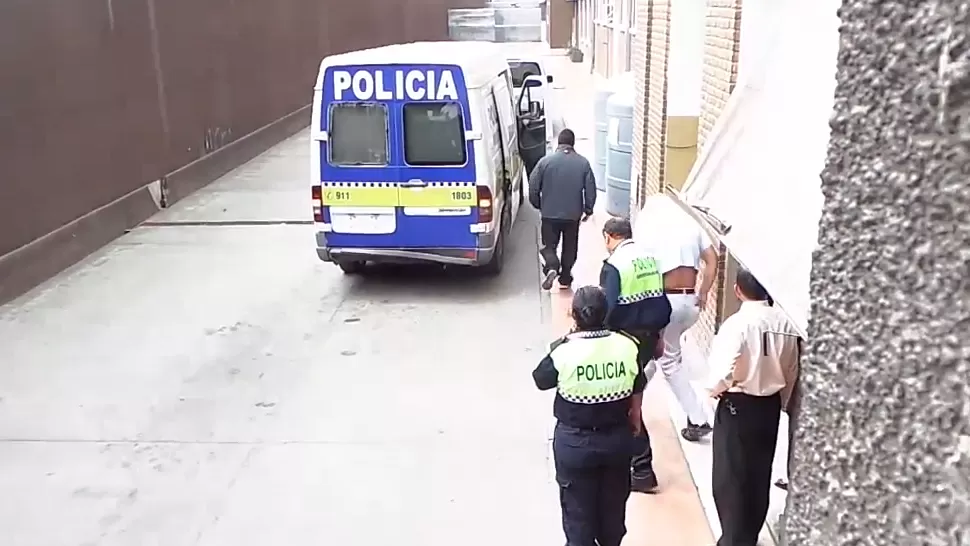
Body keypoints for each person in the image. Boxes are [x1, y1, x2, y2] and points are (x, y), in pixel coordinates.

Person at [533, 285, 649, 546]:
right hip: (617, 442)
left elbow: (541, 379)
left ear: (574, 316)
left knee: (578, 517)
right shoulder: (627, 346)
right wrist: (636, 419)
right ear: (605, 313)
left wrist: (567, 339)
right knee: (612, 514)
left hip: (575, 444)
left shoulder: (564, 351)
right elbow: (638, 384)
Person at [706, 269, 801, 546]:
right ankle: (748, 535)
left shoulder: (737, 325)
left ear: (737, 290)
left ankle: (733, 539)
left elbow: (722, 372)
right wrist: (781, 402)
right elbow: (792, 369)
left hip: (738, 404)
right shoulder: (786, 323)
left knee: (731, 476)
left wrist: (712, 392)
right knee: (760, 472)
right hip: (768, 406)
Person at [635, 196, 718, 442]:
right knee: (661, 356)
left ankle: (697, 418)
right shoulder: (691, 226)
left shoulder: (650, 230)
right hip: (689, 303)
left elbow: (642, 269)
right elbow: (713, 259)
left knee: (662, 359)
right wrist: (703, 291)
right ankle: (632, 400)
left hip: (665, 302)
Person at [598, 217, 672, 493]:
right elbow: (661, 300)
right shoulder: (649, 259)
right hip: (649, 336)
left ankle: (641, 468)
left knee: (625, 401)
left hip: (625, 340)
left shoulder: (615, 265)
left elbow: (609, 307)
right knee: (630, 395)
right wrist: (660, 337)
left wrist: (600, 340)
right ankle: (635, 465)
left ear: (609, 237)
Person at [529, 128, 597, 290]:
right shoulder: (583, 163)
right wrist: (588, 209)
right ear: (573, 143)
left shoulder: (545, 162)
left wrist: (538, 204)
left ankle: (552, 266)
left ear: (558, 142)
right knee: (570, 246)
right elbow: (591, 189)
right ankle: (565, 277)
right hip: (572, 215)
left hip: (549, 213)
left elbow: (533, 186)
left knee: (549, 246)